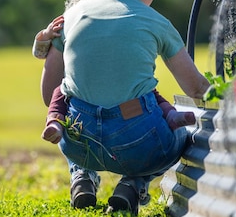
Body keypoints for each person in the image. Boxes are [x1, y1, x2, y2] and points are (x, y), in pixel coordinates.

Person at [40, 0, 210, 215]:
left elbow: (50, 95)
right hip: (138, 141)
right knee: (182, 136)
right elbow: (196, 90)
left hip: (80, 143)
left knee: (74, 107)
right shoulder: (156, 21)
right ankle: (133, 183)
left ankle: (82, 175)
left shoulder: (71, 14)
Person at [33, 16, 197, 143]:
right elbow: (39, 53)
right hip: (95, 86)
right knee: (152, 96)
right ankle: (172, 115)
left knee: (60, 95)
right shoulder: (70, 23)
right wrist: (45, 36)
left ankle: (55, 122)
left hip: (91, 89)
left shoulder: (83, 25)